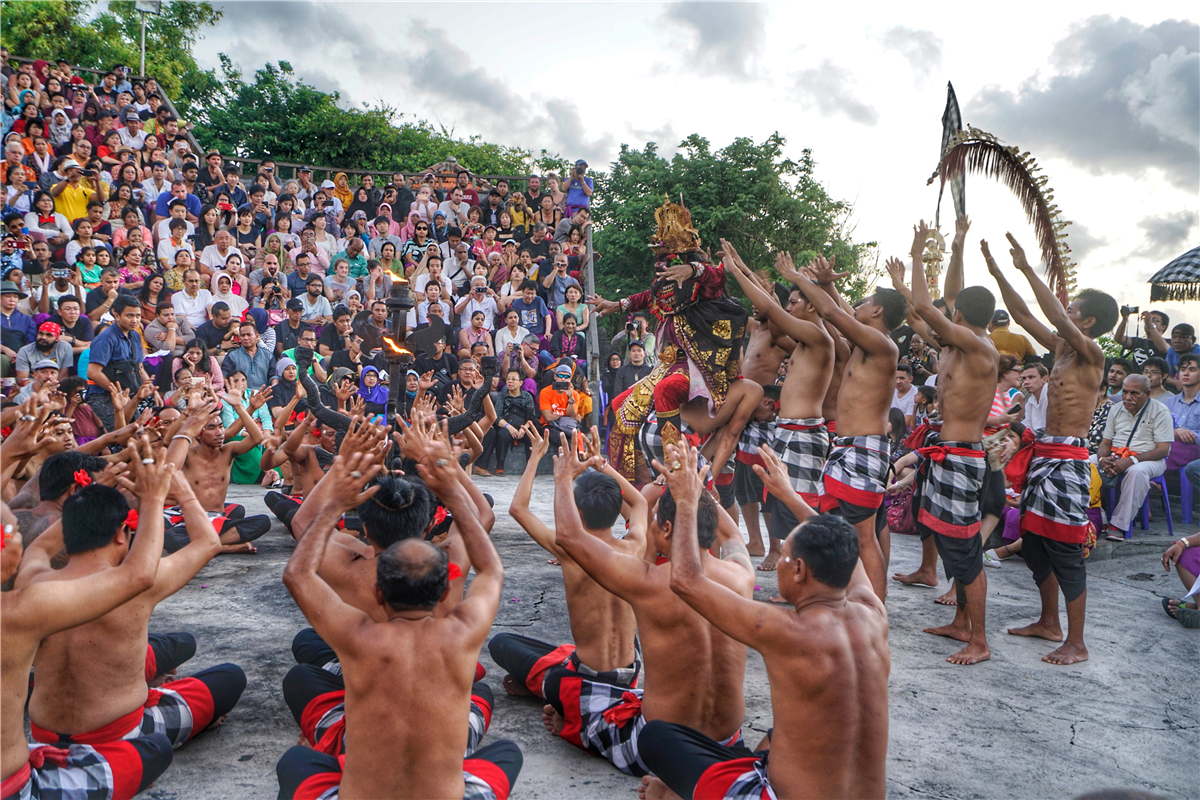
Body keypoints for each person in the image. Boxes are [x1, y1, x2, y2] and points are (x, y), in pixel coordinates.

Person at [275, 418, 522, 800]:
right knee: (487, 710)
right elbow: (488, 544)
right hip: (441, 675)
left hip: (361, 680)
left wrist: (341, 477)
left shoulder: (354, 595)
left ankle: (338, 742)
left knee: (299, 714)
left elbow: (301, 546)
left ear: (377, 592)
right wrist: (449, 475)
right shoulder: (452, 569)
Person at [637, 441, 889, 800]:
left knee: (657, 738)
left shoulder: (784, 630)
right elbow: (841, 542)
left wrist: (688, 502)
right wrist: (788, 495)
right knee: (775, 736)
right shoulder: (872, 611)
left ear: (800, 571)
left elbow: (685, 581)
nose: (779, 563)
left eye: (784, 556)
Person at [18, 432, 246, 765]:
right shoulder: (136, 584)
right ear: (122, 534)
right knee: (229, 677)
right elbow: (207, 543)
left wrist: (92, 493)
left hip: (42, 734)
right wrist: (171, 491)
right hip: (117, 733)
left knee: (172, 652)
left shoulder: (32, 578)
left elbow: (39, 546)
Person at [549, 437, 755, 777]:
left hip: (662, 749)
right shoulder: (742, 576)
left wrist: (561, 478)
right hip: (726, 745)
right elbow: (733, 536)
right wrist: (692, 488)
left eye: (657, 521)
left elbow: (569, 535)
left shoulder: (648, 582)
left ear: (668, 529)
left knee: (572, 700)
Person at [0, 445, 175, 800]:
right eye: (13, 531)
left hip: (42, 732)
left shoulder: (30, 587)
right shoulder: (19, 609)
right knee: (155, 750)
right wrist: (156, 498)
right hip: (17, 791)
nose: (20, 535)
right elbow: (140, 574)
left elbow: (38, 551)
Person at [985, 233, 1117, 664]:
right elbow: (1023, 313)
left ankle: (1076, 643)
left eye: (1074, 309)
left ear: (1090, 322)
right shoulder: (1061, 350)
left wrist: (1027, 268)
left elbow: (1052, 312)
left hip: (1069, 461)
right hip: (1045, 456)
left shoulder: (1091, 353)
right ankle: (1048, 623)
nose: (1067, 314)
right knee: (1036, 541)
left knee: (1064, 548)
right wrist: (999, 272)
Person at [779, 250, 905, 601]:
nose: (857, 306)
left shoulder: (881, 344)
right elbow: (843, 312)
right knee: (843, 531)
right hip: (848, 448)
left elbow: (835, 313)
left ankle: (874, 612)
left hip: (864, 449)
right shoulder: (868, 340)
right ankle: (847, 597)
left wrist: (798, 278)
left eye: (864, 302)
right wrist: (823, 284)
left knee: (864, 537)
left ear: (878, 311)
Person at [902, 221, 1000, 665]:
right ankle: (961, 623)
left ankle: (979, 640)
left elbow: (924, 304)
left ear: (959, 314)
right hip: (947, 452)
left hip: (962, 457)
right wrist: (957, 245)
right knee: (946, 540)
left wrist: (920, 252)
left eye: (953, 307)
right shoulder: (959, 346)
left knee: (964, 548)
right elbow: (946, 300)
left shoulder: (979, 347)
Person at [490, 424, 645, 702]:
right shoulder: (635, 547)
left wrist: (538, 459)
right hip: (630, 674)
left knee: (501, 644)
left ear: (578, 513)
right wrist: (602, 465)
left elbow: (518, 509)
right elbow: (641, 503)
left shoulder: (570, 550)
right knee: (565, 650)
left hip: (586, 678)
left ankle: (553, 691)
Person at [724, 248, 837, 571]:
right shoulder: (802, 342)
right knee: (780, 501)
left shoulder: (818, 337)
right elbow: (772, 319)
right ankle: (796, 571)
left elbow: (768, 310)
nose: (787, 307)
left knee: (797, 507)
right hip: (788, 432)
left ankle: (809, 574)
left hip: (803, 433)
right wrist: (745, 268)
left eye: (794, 302)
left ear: (811, 305)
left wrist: (737, 270)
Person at [164, 387, 273, 553]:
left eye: (221, 427)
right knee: (170, 539)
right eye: (212, 428)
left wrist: (240, 407)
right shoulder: (188, 453)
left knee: (262, 521)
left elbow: (257, 438)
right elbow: (168, 441)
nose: (219, 432)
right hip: (194, 519)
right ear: (199, 434)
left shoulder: (228, 451)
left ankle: (209, 546)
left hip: (217, 517)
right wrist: (189, 411)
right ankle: (222, 547)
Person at [1098, 373, 1173, 540]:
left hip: (1150, 460)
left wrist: (1131, 460)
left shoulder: (1160, 411)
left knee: (1137, 472)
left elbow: (1163, 450)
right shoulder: (1116, 409)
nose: (1127, 397)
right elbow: (1105, 442)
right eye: (1125, 392)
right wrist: (1103, 460)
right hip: (1116, 455)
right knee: (1083, 463)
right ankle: (1098, 518)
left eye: (1134, 393)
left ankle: (1118, 525)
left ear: (1147, 394)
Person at [85, 294, 149, 430]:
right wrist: (118, 393)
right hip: (103, 396)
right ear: (117, 315)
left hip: (127, 395)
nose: (135, 320)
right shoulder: (106, 338)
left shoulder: (135, 335)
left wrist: (150, 387)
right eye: (130, 315)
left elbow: (139, 366)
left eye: (137, 316)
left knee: (138, 432)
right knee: (117, 436)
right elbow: (93, 372)